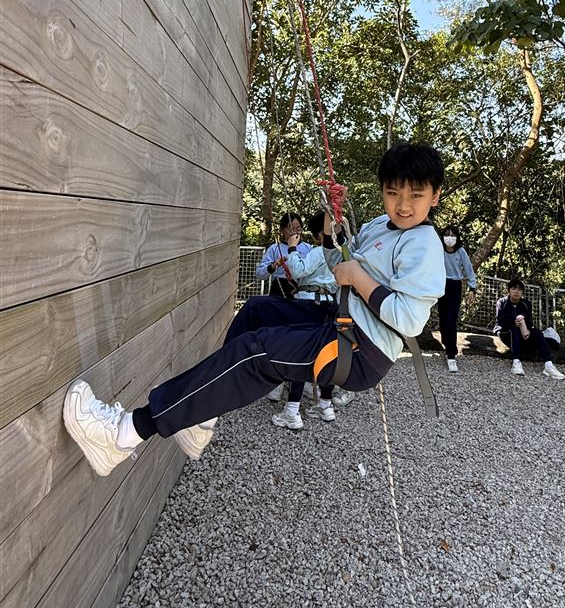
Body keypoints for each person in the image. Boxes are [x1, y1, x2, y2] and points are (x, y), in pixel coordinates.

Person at [62, 142, 447, 476]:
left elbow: (410, 319)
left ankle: (123, 434)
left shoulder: (424, 244)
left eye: (416, 195)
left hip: (361, 350)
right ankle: (200, 416)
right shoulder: (380, 226)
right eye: (393, 192)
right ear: (383, 191)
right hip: (341, 323)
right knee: (257, 312)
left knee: (257, 353)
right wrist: (333, 233)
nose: (403, 204)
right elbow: (339, 266)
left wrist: (358, 278)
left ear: (435, 196)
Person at [267, 210, 339, 429]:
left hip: (309, 305)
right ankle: (326, 406)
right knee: (327, 354)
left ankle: (292, 411)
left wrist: (292, 248)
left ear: (319, 235)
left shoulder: (320, 251)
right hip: (330, 305)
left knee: (300, 353)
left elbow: (298, 270)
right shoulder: (342, 254)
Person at [494, 278, 565, 379]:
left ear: (522, 292)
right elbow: (501, 321)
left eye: (519, 290)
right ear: (508, 291)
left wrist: (525, 327)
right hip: (505, 331)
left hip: (523, 332)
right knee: (514, 330)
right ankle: (516, 361)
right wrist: (513, 323)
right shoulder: (502, 302)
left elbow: (529, 321)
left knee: (537, 332)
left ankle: (548, 364)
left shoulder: (526, 304)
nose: (516, 292)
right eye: (514, 289)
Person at [437, 224, 476, 373]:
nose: (449, 238)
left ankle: (451, 355)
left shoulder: (461, 252)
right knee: (443, 318)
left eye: (452, 235)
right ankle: (446, 344)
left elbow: (468, 269)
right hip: (441, 285)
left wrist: (472, 288)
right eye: (447, 235)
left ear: (457, 237)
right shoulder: (438, 250)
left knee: (451, 320)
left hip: (455, 286)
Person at [255, 212, 311, 299]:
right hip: (279, 290)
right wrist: (273, 265)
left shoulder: (308, 248)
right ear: (282, 230)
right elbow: (259, 274)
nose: (294, 232)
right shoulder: (274, 248)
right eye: (290, 228)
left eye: (298, 229)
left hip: (302, 290)